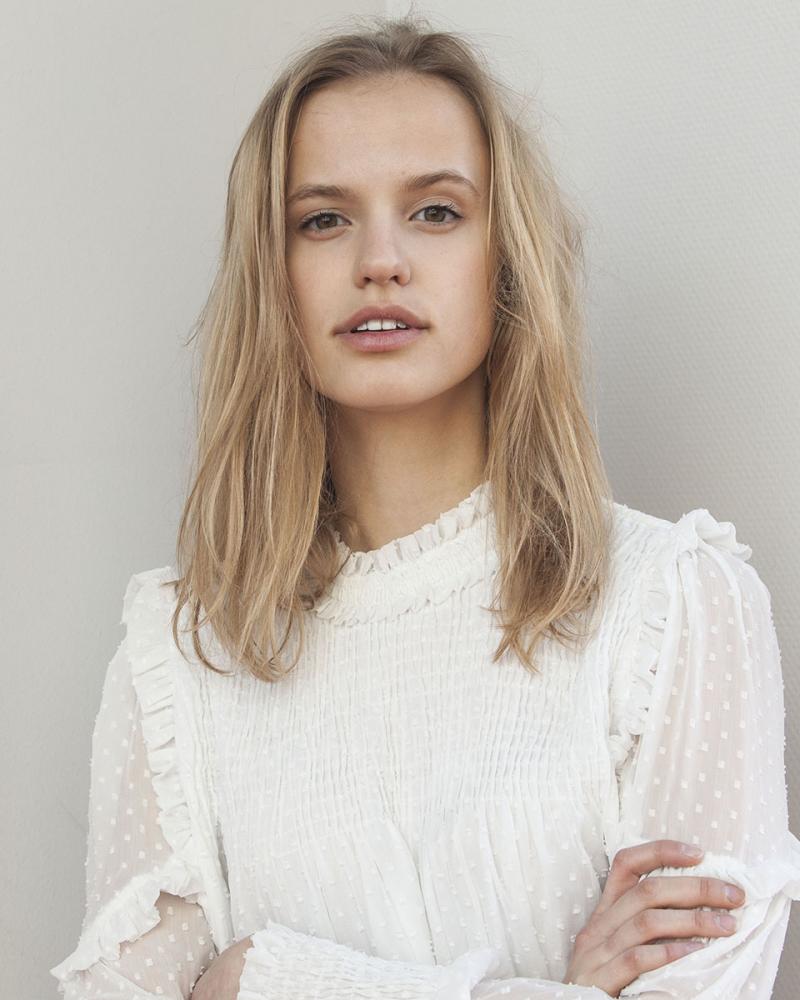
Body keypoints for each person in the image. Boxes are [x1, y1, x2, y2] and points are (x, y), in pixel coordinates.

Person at [51, 13, 800, 1000]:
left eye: (436, 212)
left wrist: (259, 979)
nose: (380, 260)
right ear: (274, 276)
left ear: (506, 256)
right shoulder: (181, 658)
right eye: (323, 219)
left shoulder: (673, 609)